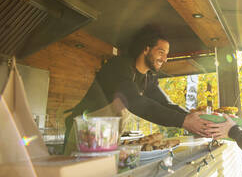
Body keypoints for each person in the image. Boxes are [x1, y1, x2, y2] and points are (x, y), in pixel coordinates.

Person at [63, 27, 210, 155]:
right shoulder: (119, 66)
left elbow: (165, 103)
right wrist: (183, 121)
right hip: (83, 134)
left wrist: (192, 118)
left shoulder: (147, 78)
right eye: (161, 52)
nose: (165, 59)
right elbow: (134, 101)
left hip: (106, 138)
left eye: (166, 54)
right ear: (146, 49)